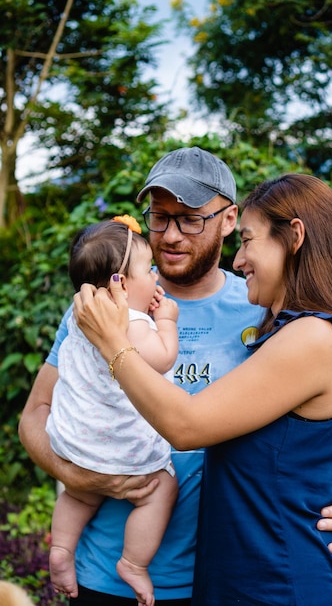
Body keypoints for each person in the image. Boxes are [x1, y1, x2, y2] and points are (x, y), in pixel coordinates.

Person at [19, 147, 332, 606]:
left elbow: (309, 419)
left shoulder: (263, 307)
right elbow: (36, 414)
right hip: (104, 577)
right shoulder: (101, 305)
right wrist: (81, 477)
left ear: (229, 220)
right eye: (160, 218)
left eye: (190, 219)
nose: (172, 235)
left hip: (215, 578)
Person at [46, 215, 179, 605]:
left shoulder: (79, 319)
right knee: (161, 490)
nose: (155, 274)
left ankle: (61, 550)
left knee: (78, 495)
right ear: (120, 284)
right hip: (123, 451)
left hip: (76, 445)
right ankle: (134, 563)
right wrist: (165, 321)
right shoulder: (133, 323)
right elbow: (164, 357)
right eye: (148, 269)